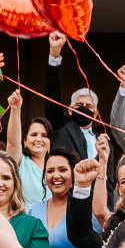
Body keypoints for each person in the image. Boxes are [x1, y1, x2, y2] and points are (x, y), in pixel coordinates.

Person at [46, 32, 103, 161]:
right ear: (70, 109)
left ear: (95, 113)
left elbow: (108, 180)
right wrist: (55, 53)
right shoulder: (61, 125)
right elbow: (52, 94)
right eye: (79, 105)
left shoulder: (104, 144)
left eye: (89, 106)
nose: (84, 109)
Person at [5, 90, 52, 212]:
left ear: (50, 143)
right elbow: (12, 143)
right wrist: (15, 109)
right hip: (25, 224)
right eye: (34, 134)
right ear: (24, 141)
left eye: (44, 135)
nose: (39, 139)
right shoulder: (21, 162)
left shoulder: (55, 166)